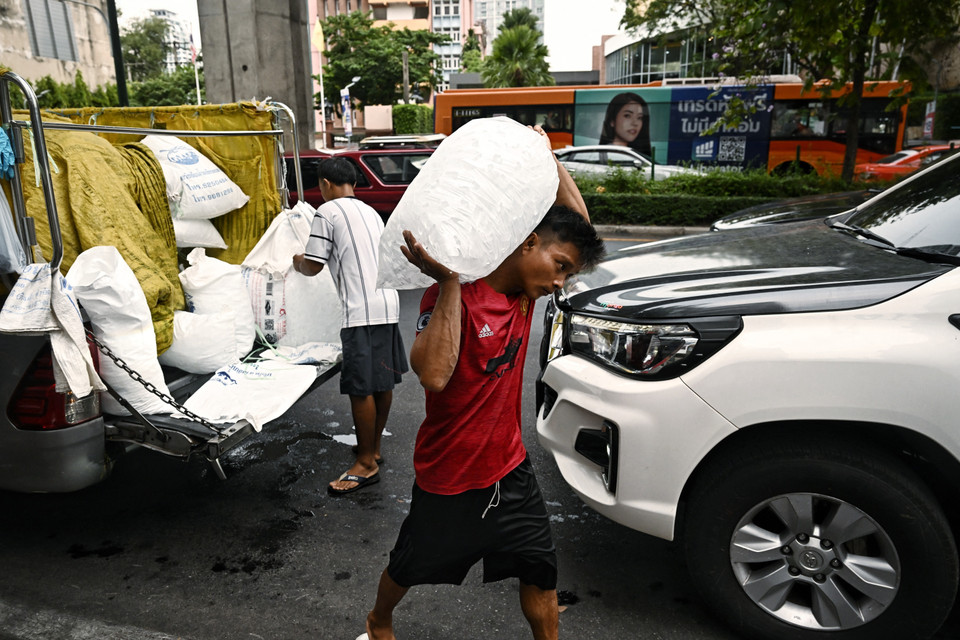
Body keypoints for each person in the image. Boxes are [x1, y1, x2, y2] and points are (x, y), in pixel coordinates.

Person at [358, 127, 606, 640]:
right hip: (450, 478)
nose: (560, 282)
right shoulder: (457, 296)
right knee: (408, 567)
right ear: (527, 243)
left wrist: (549, 157)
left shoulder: (526, 293)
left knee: (540, 570)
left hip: (510, 472)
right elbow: (433, 373)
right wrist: (448, 282)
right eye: (559, 267)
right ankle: (378, 620)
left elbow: (576, 226)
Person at [292, 156, 408, 496]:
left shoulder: (326, 212)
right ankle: (371, 450)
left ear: (326, 185)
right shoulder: (371, 212)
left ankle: (366, 465)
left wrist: (295, 261)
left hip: (360, 312)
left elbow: (313, 265)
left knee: (361, 387)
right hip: (388, 304)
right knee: (382, 381)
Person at [599, 91, 652, 158]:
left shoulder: (638, 155)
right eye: (627, 116)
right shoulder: (603, 154)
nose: (635, 123)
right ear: (612, 121)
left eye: (639, 118)